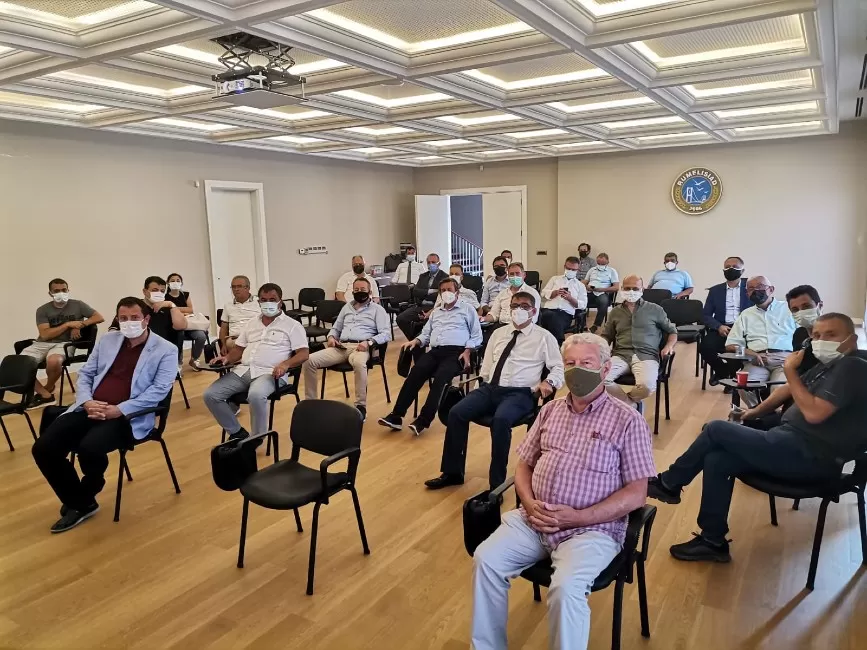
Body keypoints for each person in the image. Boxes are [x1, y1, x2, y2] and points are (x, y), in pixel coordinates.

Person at [471, 332, 656, 650]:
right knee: (486, 560)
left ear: (605, 368)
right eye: (570, 363)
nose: (577, 370)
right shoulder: (550, 411)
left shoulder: (627, 420)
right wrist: (529, 503)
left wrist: (579, 517)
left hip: (591, 530)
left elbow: (637, 493)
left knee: (566, 588)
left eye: (587, 363)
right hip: (534, 520)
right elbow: (524, 466)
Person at [648, 313, 867, 563]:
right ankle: (712, 540)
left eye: (831, 335)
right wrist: (751, 413)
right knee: (718, 460)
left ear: (851, 340)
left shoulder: (853, 366)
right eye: (816, 336)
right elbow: (787, 390)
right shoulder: (828, 365)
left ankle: (669, 483)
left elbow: (815, 413)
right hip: (789, 444)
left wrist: (789, 369)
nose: (821, 341)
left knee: (716, 429)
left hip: (811, 457)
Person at [31, 297, 177, 533]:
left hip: (127, 415)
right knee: (43, 449)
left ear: (146, 319)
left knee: (89, 447)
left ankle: (84, 495)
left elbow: (159, 390)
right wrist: (87, 401)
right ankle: (81, 500)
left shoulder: (166, 349)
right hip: (91, 407)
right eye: (123, 318)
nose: (128, 322)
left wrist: (120, 409)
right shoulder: (108, 340)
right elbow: (86, 374)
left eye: (134, 318)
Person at [426, 291, 564, 491]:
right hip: (490, 388)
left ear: (534, 311)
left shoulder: (544, 337)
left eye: (524, 306)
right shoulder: (499, 333)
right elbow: (487, 367)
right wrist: (479, 390)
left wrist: (549, 382)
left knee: (501, 420)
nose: (518, 310)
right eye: (515, 306)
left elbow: (558, 367)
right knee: (456, 412)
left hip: (520, 393)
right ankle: (452, 472)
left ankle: (496, 484)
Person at [204, 283, 309, 440]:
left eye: (272, 299)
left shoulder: (292, 325)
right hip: (244, 370)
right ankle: (237, 432)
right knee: (210, 395)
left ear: (280, 302)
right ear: (258, 301)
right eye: (264, 300)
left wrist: (285, 364)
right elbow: (239, 349)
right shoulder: (252, 323)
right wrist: (226, 358)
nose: (268, 303)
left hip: (271, 373)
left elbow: (304, 353)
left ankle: (257, 438)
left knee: (256, 394)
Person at [378, 278, 482, 436]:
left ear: (457, 292)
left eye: (449, 289)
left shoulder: (467, 310)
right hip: (435, 352)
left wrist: (468, 350)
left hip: (457, 353)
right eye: (443, 290)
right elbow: (426, 334)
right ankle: (396, 416)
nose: (446, 293)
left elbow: (477, 336)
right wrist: (416, 341)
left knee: (441, 378)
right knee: (415, 373)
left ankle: (423, 420)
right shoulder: (436, 312)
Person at [303, 278, 391, 421]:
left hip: (361, 348)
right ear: (352, 292)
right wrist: (331, 337)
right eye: (356, 290)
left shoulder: (378, 310)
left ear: (370, 291)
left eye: (363, 290)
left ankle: (360, 406)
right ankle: (310, 403)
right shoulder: (346, 307)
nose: (359, 292)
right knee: (309, 360)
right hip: (341, 347)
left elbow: (386, 334)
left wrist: (369, 342)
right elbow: (336, 328)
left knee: (359, 363)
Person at [20, 278, 105, 408]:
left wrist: (81, 325)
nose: (61, 293)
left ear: (68, 290)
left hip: (65, 343)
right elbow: (45, 335)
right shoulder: (42, 310)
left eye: (64, 290)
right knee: (20, 364)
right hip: (42, 343)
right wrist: (67, 325)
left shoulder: (78, 305)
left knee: (54, 361)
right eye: (56, 291)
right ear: (50, 293)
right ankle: (46, 395)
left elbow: (99, 317)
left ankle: (48, 388)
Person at [602, 275, 677, 406]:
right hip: (620, 355)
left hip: (646, 355)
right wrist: (599, 350)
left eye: (635, 289)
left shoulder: (655, 309)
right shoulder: (615, 312)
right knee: (599, 380)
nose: (631, 292)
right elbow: (606, 336)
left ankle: (626, 406)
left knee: (647, 386)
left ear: (642, 290)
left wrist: (669, 346)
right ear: (621, 289)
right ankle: (631, 406)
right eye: (627, 288)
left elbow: (672, 331)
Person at [725, 275, 796, 386]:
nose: (755, 291)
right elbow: (730, 346)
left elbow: (804, 336)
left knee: (779, 388)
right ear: (747, 294)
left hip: (784, 360)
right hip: (756, 361)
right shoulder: (745, 315)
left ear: (771, 289)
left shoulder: (789, 309)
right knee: (744, 386)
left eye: (760, 286)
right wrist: (750, 353)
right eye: (751, 289)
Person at [699, 257, 749, 385]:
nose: (730, 269)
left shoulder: (750, 288)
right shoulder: (715, 290)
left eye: (735, 267)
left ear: (742, 271)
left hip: (744, 330)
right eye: (727, 267)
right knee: (705, 348)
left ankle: (731, 379)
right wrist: (718, 326)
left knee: (737, 351)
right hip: (722, 328)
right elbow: (706, 315)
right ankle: (723, 372)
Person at [395, 253, 448, 339]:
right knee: (401, 319)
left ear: (439, 263)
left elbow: (441, 295)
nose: (431, 264)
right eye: (429, 262)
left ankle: (420, 340)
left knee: (427, 322)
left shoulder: (445, 277)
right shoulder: (423, 276)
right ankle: (414, 341)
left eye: (433, 262)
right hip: (420, 306)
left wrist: (423, 293)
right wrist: (430, 291)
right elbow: (415, 292)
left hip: (434, 307)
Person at [539, 256, 588, 344]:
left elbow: (583, 305)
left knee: (555, 319)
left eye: (573, 270)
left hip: (565, 314)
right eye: (568, 268)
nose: (570, 271)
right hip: (548, 310)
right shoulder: (555, 279)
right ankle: (560, 344)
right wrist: (555, 292)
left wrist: (570, 298)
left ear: (578, 270)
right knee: (552, 317)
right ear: (564, 266)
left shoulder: (580, 286)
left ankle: (553, 344)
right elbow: (543, 293)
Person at [164, 272, 207, 372]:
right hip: (175, 326)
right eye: (172, 281)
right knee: (179, 335)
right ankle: (178, 363)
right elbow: (167, 312)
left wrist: (174, 308)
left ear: (181, 283)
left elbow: (190, 310)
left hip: (189, 325)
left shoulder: (185, 295)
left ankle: (194, 359)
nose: (175, 282)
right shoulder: (165, 297)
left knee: (201, 336)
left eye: (178, 280)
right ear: (168, 283)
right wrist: (182, 311)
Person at [219, 275, 260, 353]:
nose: (236, 289)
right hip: (235, 339)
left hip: (254, 337)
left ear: (247, 288)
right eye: (233, 287)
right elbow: (223, 328)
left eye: (239, 286)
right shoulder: (228, 305)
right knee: (234, 344)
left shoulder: (259, 302)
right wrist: (223, 345)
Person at [582, 253, 620, 332]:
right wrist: (586, 286)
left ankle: (596, 325)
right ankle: (583, 324)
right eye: (598, 263)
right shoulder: (592, 270)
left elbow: (616, 287)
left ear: (608, 262)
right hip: (590, 292)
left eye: (603, 264)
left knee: (603, 302)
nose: (600, 266)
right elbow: (584, 282)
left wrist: (602, 289)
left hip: (603, 293)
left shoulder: (612, 271)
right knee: (580, 300)